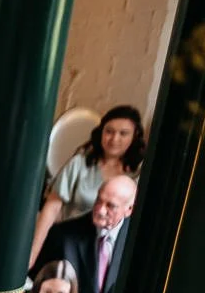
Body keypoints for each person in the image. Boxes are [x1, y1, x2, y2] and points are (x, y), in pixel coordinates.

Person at [33, 174, 136, 293]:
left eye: (110, 206)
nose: (100, 209)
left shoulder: (138, 242)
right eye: (98, 200)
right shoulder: (63, 235)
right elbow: (40, 287)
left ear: (129, 210)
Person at [30, 105, 145, 266]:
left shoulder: (139, 175)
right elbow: (52, 209)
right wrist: (32, 256)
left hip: (110, 255)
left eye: (123, 133)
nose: (114, 139)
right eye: (109, 131)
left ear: (135, 136)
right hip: (70, 248)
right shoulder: (80, 163)